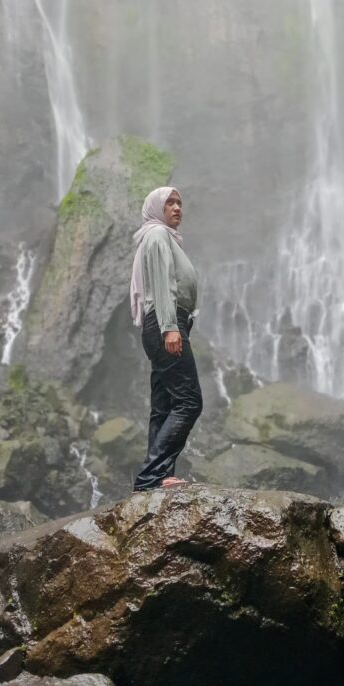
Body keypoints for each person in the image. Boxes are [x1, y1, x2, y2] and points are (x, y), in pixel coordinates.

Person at [130, 186, 203, 490]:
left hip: (165, 323)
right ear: (156, 208)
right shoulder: (158, 235)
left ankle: (159, 477)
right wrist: (170, 327)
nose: (177, 208)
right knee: (189, 401)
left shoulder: (164, 238)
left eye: (179, 203)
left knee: (164, 406)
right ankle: (151, 476)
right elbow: (161, 283)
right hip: (165, 323)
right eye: (169, 203)